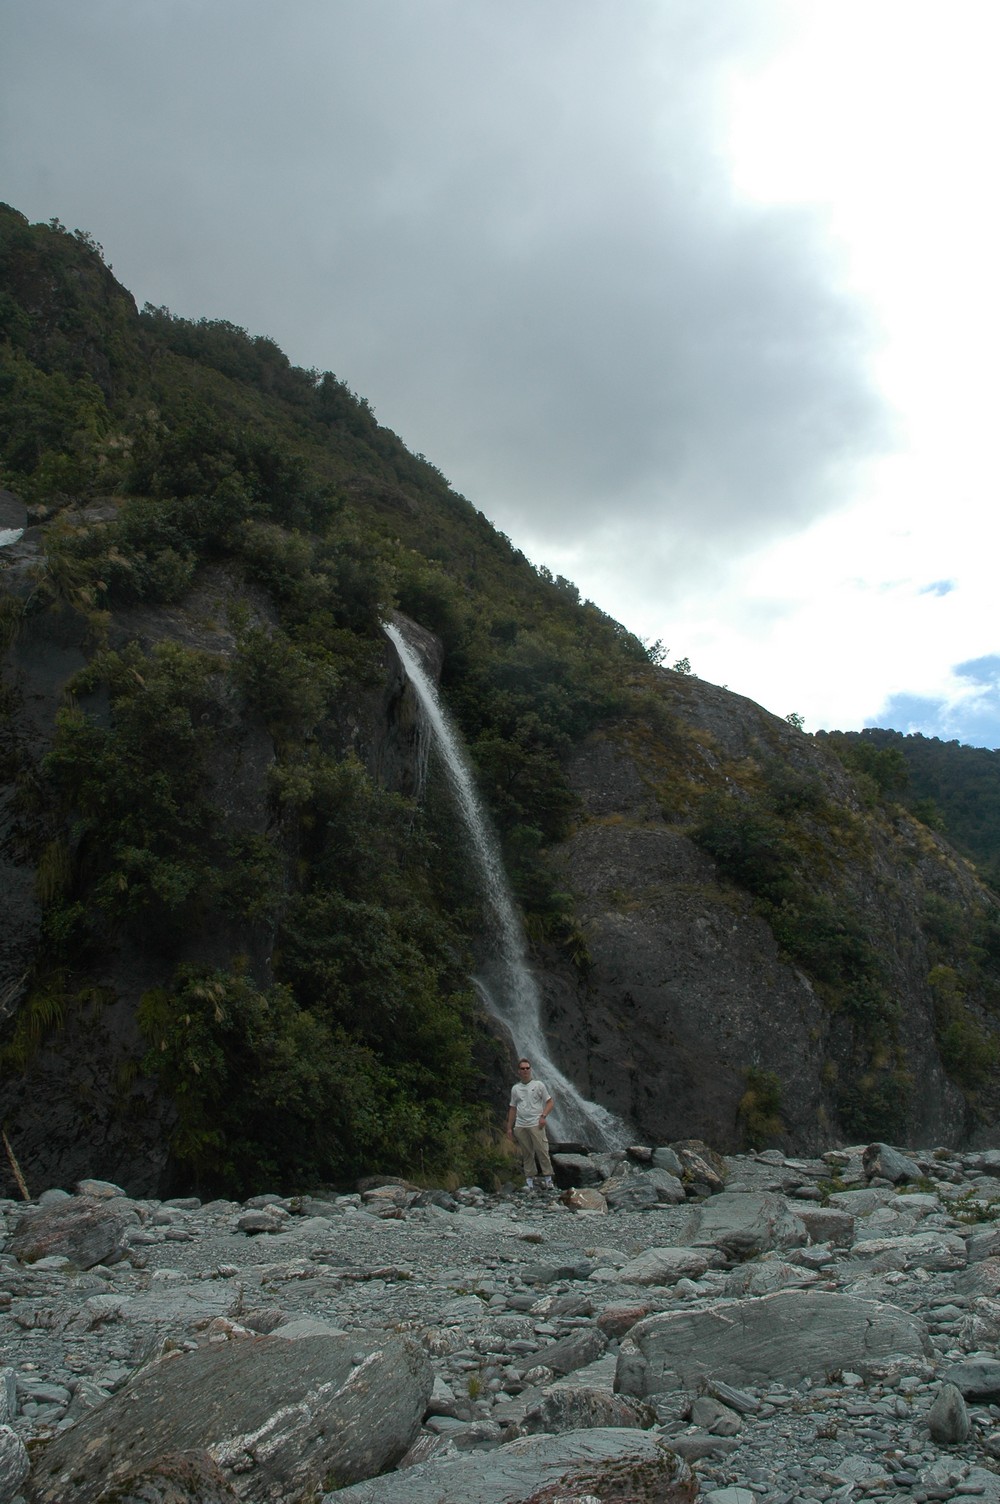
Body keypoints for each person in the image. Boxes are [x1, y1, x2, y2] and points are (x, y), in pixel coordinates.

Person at [505, 1058, 555, 1190]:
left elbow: (550, 1102)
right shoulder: (515, 1089)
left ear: (530, 1070)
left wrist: (543, 1116)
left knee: (542, 1150)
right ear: (519, 1071)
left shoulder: (539, 1085)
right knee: (527, 1153)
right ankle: (529, 1181)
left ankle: (548, 1179)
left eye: (527, 1068)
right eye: (523, 1068)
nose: (525, 1070)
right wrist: (509, 1128)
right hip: (521, 1125)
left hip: (535, 1123)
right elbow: (513, 1108)